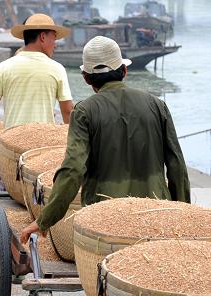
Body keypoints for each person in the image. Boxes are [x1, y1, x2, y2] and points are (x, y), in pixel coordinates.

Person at [20, 36, 190, 243]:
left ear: (86, 78)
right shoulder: (157, 105)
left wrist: (45, 219)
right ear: (124, 71)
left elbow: (73, 170)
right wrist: (182, 214)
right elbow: (177, 166)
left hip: (105, 218)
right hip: (155, 212)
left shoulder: (84, 111)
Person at [0, 14, 74, 189]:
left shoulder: (5, 67)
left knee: (5, 195)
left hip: (11, 145)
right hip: (42, 148)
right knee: (38, 194)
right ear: (42, 37)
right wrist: (74, 142)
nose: (55, 44)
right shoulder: (56, 69)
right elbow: (67, 110)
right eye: (53, 38)